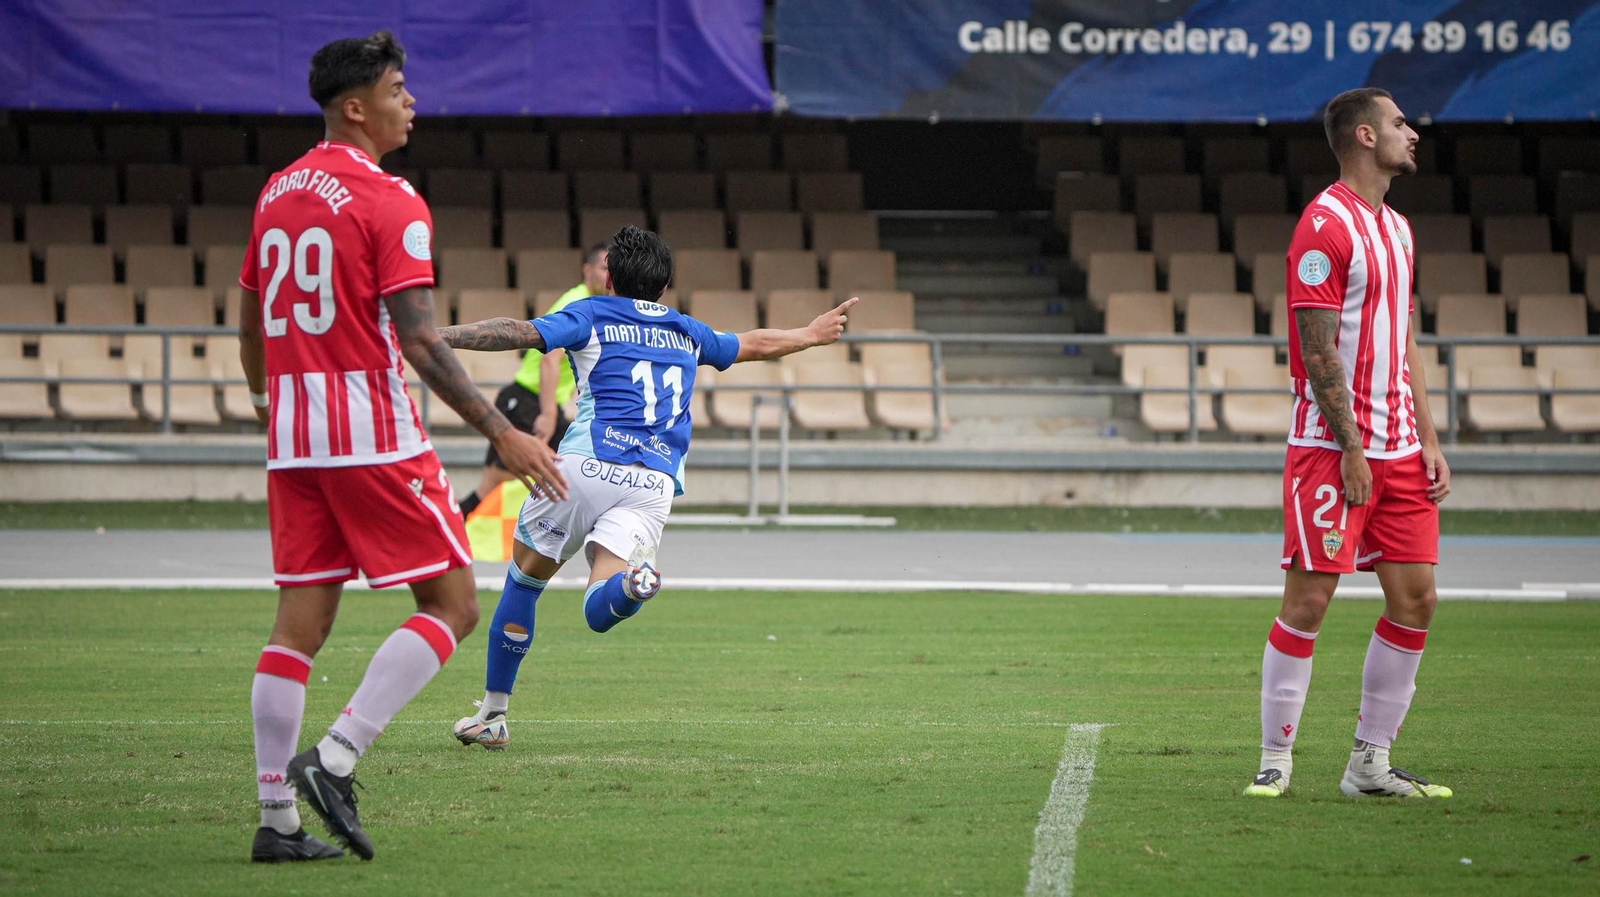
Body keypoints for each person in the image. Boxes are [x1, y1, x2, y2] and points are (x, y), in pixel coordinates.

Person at [236, 31, 567, 863]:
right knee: (453, 603)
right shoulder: (390, 199)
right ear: (357, 108)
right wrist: (504, 432)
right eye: (397, 89)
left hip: (293, 436)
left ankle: (276, 819)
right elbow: (419, 340)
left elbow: (248, 316)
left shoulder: (277, 191)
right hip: (370, 430)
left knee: (298, 624)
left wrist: (264, 396)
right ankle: (337, 758)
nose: (410, 101)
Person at [436, 225, 856, 751]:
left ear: (607, 278)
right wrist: (811, 335)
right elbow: (751, 344)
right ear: (664, 285)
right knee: (600, 602)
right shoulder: (687, 330)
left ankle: (494, 715)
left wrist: (438, 337)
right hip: (654, 482)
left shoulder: (590, 314)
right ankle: (632, 587)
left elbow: (516, 332)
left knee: (525, 583)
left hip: (585, 467)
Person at [1244, 87, 1452, 800]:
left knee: (1416, 599)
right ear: (1364, 136)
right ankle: (1276, 758)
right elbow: (1318, 349)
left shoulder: (1396, 228)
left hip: (1399, 451)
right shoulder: (1323, 225)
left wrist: (1427, 437)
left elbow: (1404, 340)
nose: (1412, 132)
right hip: (1334, 451)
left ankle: (1370, 762)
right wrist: (1353, 450)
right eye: (1400, 122)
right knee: (1309, 602)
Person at [458, 244, 608, 518]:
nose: (609, 276)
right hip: (529, 400)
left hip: (542, 402)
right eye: (603, 268)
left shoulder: (595, 306)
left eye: (613, 270)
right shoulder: (576, 303)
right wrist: (549, 413)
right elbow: (549, 359)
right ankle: (449, 529)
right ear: (587, 270)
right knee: (495, 484)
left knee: (573, 470)